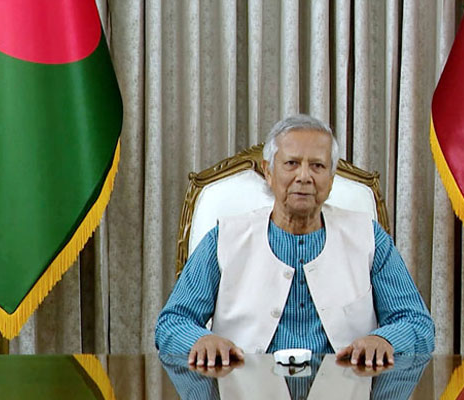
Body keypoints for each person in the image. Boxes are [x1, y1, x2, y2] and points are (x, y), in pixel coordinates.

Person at [155, 114, 434, 368]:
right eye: (291, 164)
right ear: (268, 171)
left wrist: (384, 340)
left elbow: (416, 323)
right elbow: (172, 322)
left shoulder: (368, 237)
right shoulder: (224, 237)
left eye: (317, 166)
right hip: (244, 388)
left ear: (331, 178)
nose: (304, 177)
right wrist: (200, 340)